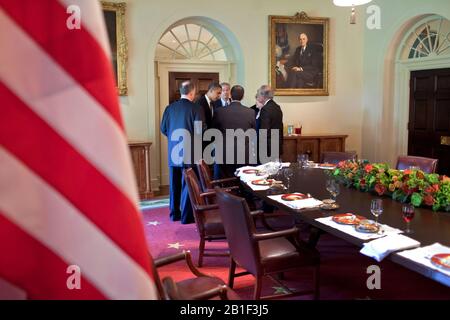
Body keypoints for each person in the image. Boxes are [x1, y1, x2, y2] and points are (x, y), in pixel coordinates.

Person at [160, 81, 203, 224]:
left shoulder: (169, 108)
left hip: (174, 151)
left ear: (181, 92)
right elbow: (199, 132)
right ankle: (186, 217)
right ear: (192, 92)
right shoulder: (196, 108)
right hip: (190, 152)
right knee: (187, 185)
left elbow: (163, 129)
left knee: (174, 184)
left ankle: (174, 214)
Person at [212, 85, 256, 178]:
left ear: (230, 95)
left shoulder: (219, 111)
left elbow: (214, 131)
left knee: (223, 183)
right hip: (244, 154)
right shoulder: (251, 112)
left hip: (223, 154)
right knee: (243, 183)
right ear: (243, 96)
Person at [251, 85, 284, 163]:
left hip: (267, 149)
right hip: (276, 146)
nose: (257, 96)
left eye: (258, 94)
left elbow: (264, 132)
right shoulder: (277, 107)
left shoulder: (265, 109)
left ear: (263, 96)